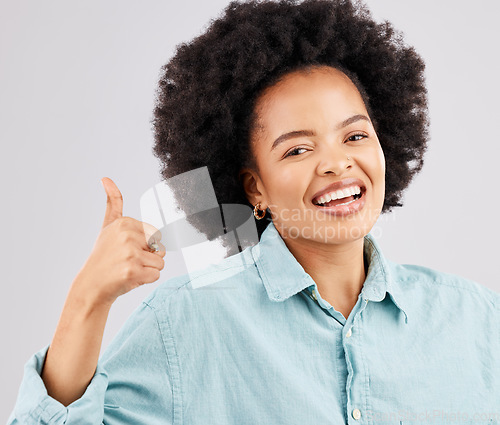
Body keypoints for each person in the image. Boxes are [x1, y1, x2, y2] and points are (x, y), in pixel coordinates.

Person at [8, 0, 499, 424]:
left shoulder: (476, 321)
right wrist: (87, 301)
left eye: (354, 136)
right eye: (297, 150)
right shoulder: (185, 323)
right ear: (254, 188)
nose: (337, 163)